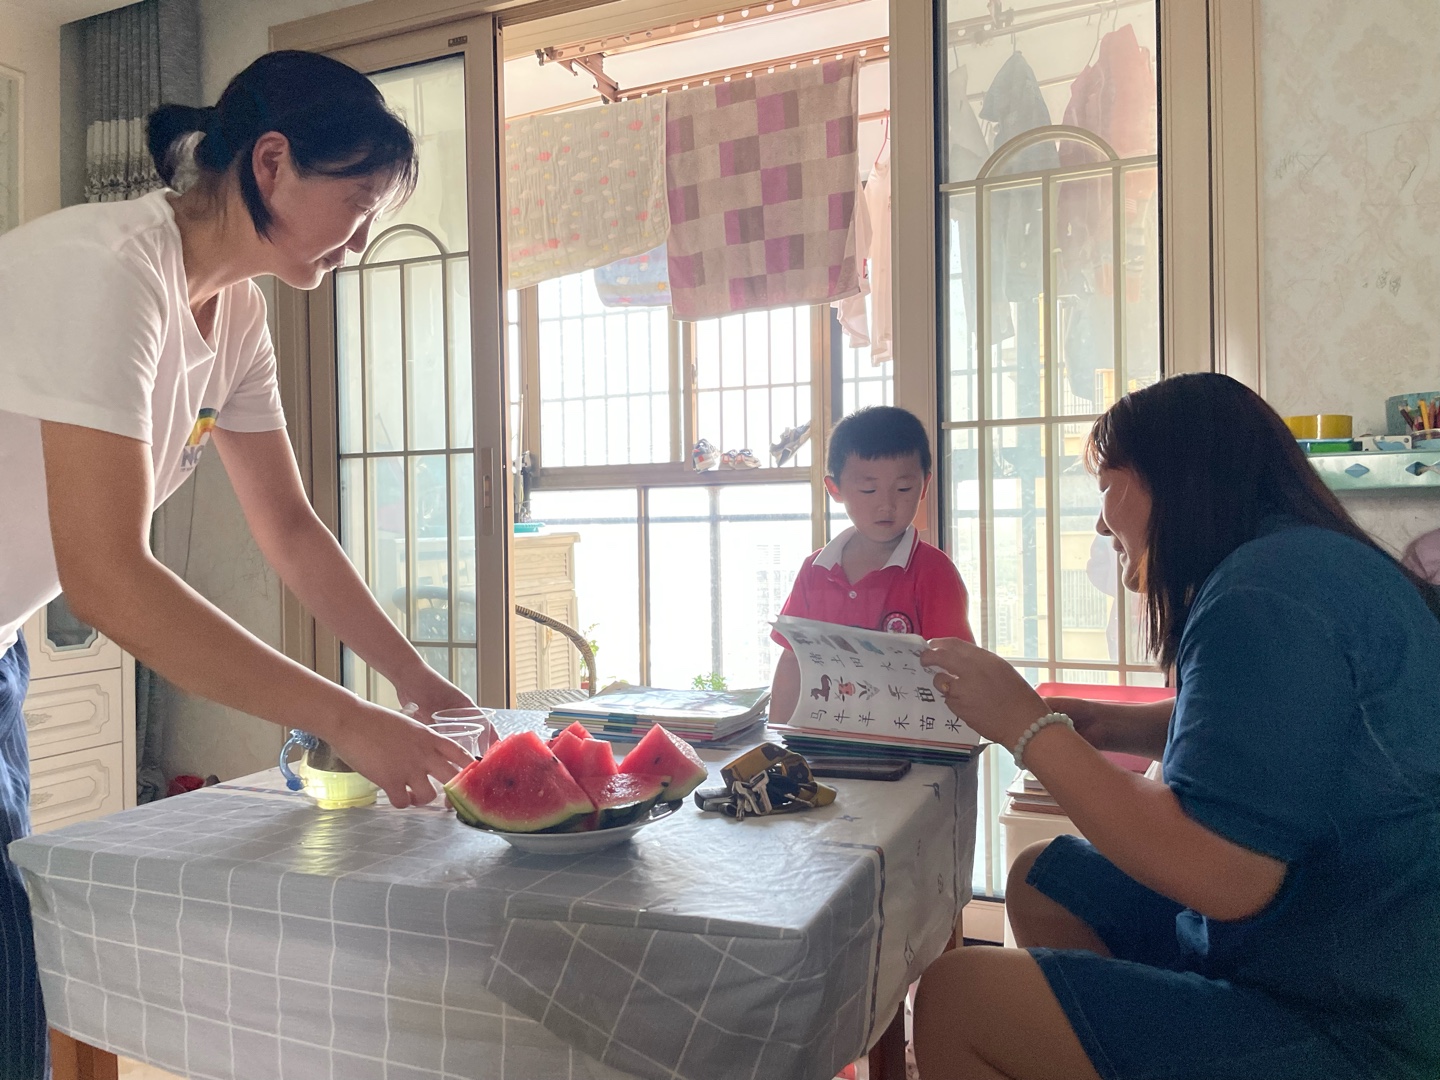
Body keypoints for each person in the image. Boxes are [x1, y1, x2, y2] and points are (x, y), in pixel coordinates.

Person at [0, 51, 477, 1079]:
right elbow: (108, 578)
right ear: (271, 163)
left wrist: (416, 682)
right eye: (356, 205)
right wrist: (349, 719)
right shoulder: (108, 271)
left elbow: (290, 529)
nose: (360, 240)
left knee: (11, 990)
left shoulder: (239, 314)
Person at [913, 373, 1440, 1080]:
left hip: (1356, 1017)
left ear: (1173, 478)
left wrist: (1027, 727)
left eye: (1107, 484)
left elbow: (1223, 875)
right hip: (1332, 938)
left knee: (960, 997)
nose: (1101, 524)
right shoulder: (1304, 562)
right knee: (1048, 875)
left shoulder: (1261, 593)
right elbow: (1271, 731)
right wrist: (1109, 726)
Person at [768, 406, 974, 725]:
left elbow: (957, 670)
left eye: (903, 489)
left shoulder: (934, 572)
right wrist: (777, 736)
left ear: (924, 485)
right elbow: (793, 661)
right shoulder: (815, 570)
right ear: (834, 489)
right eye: (868, 489)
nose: (886, 504)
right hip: (825, 739)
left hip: (911, 741)